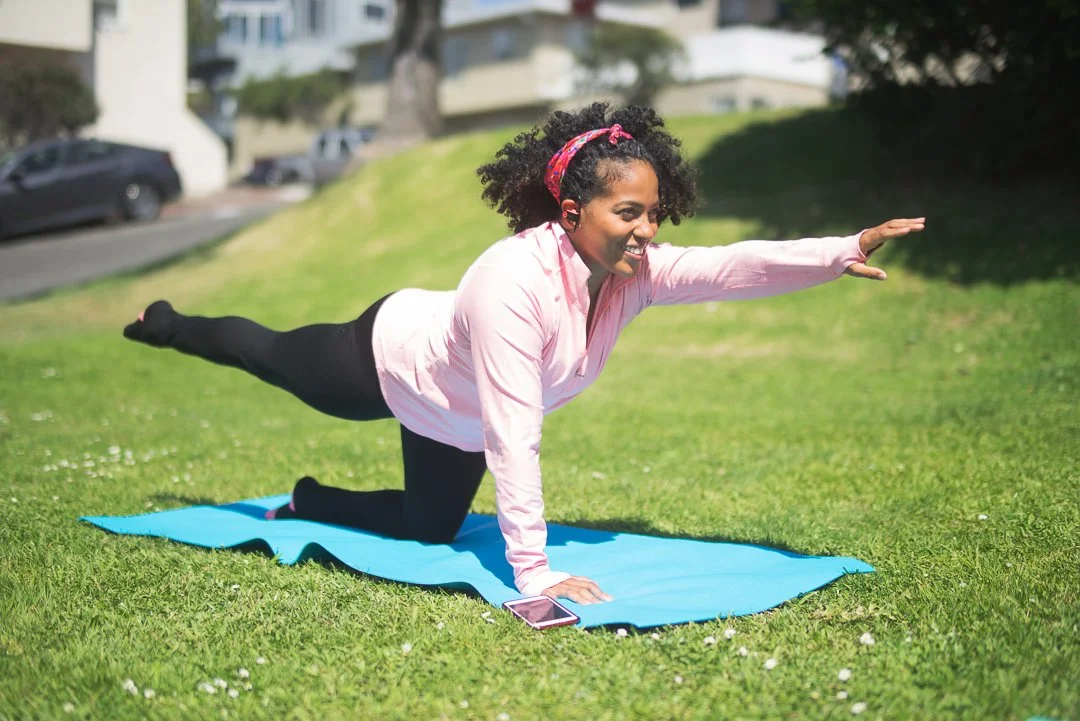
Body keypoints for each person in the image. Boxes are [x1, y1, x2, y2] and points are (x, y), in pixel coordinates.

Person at [123, 103, 924, 605]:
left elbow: (729, 265)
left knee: (431, 533)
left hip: (457, 421)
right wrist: (534, 573)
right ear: (572, 211)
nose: (647, 230)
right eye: (627, 212)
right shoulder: (512, 282)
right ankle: (167, 321)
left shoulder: (633, 271)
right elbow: (515, 430)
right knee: (270, 356)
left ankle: (307, 499)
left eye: (654, 212)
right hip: (390, 358)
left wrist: (837, 249)